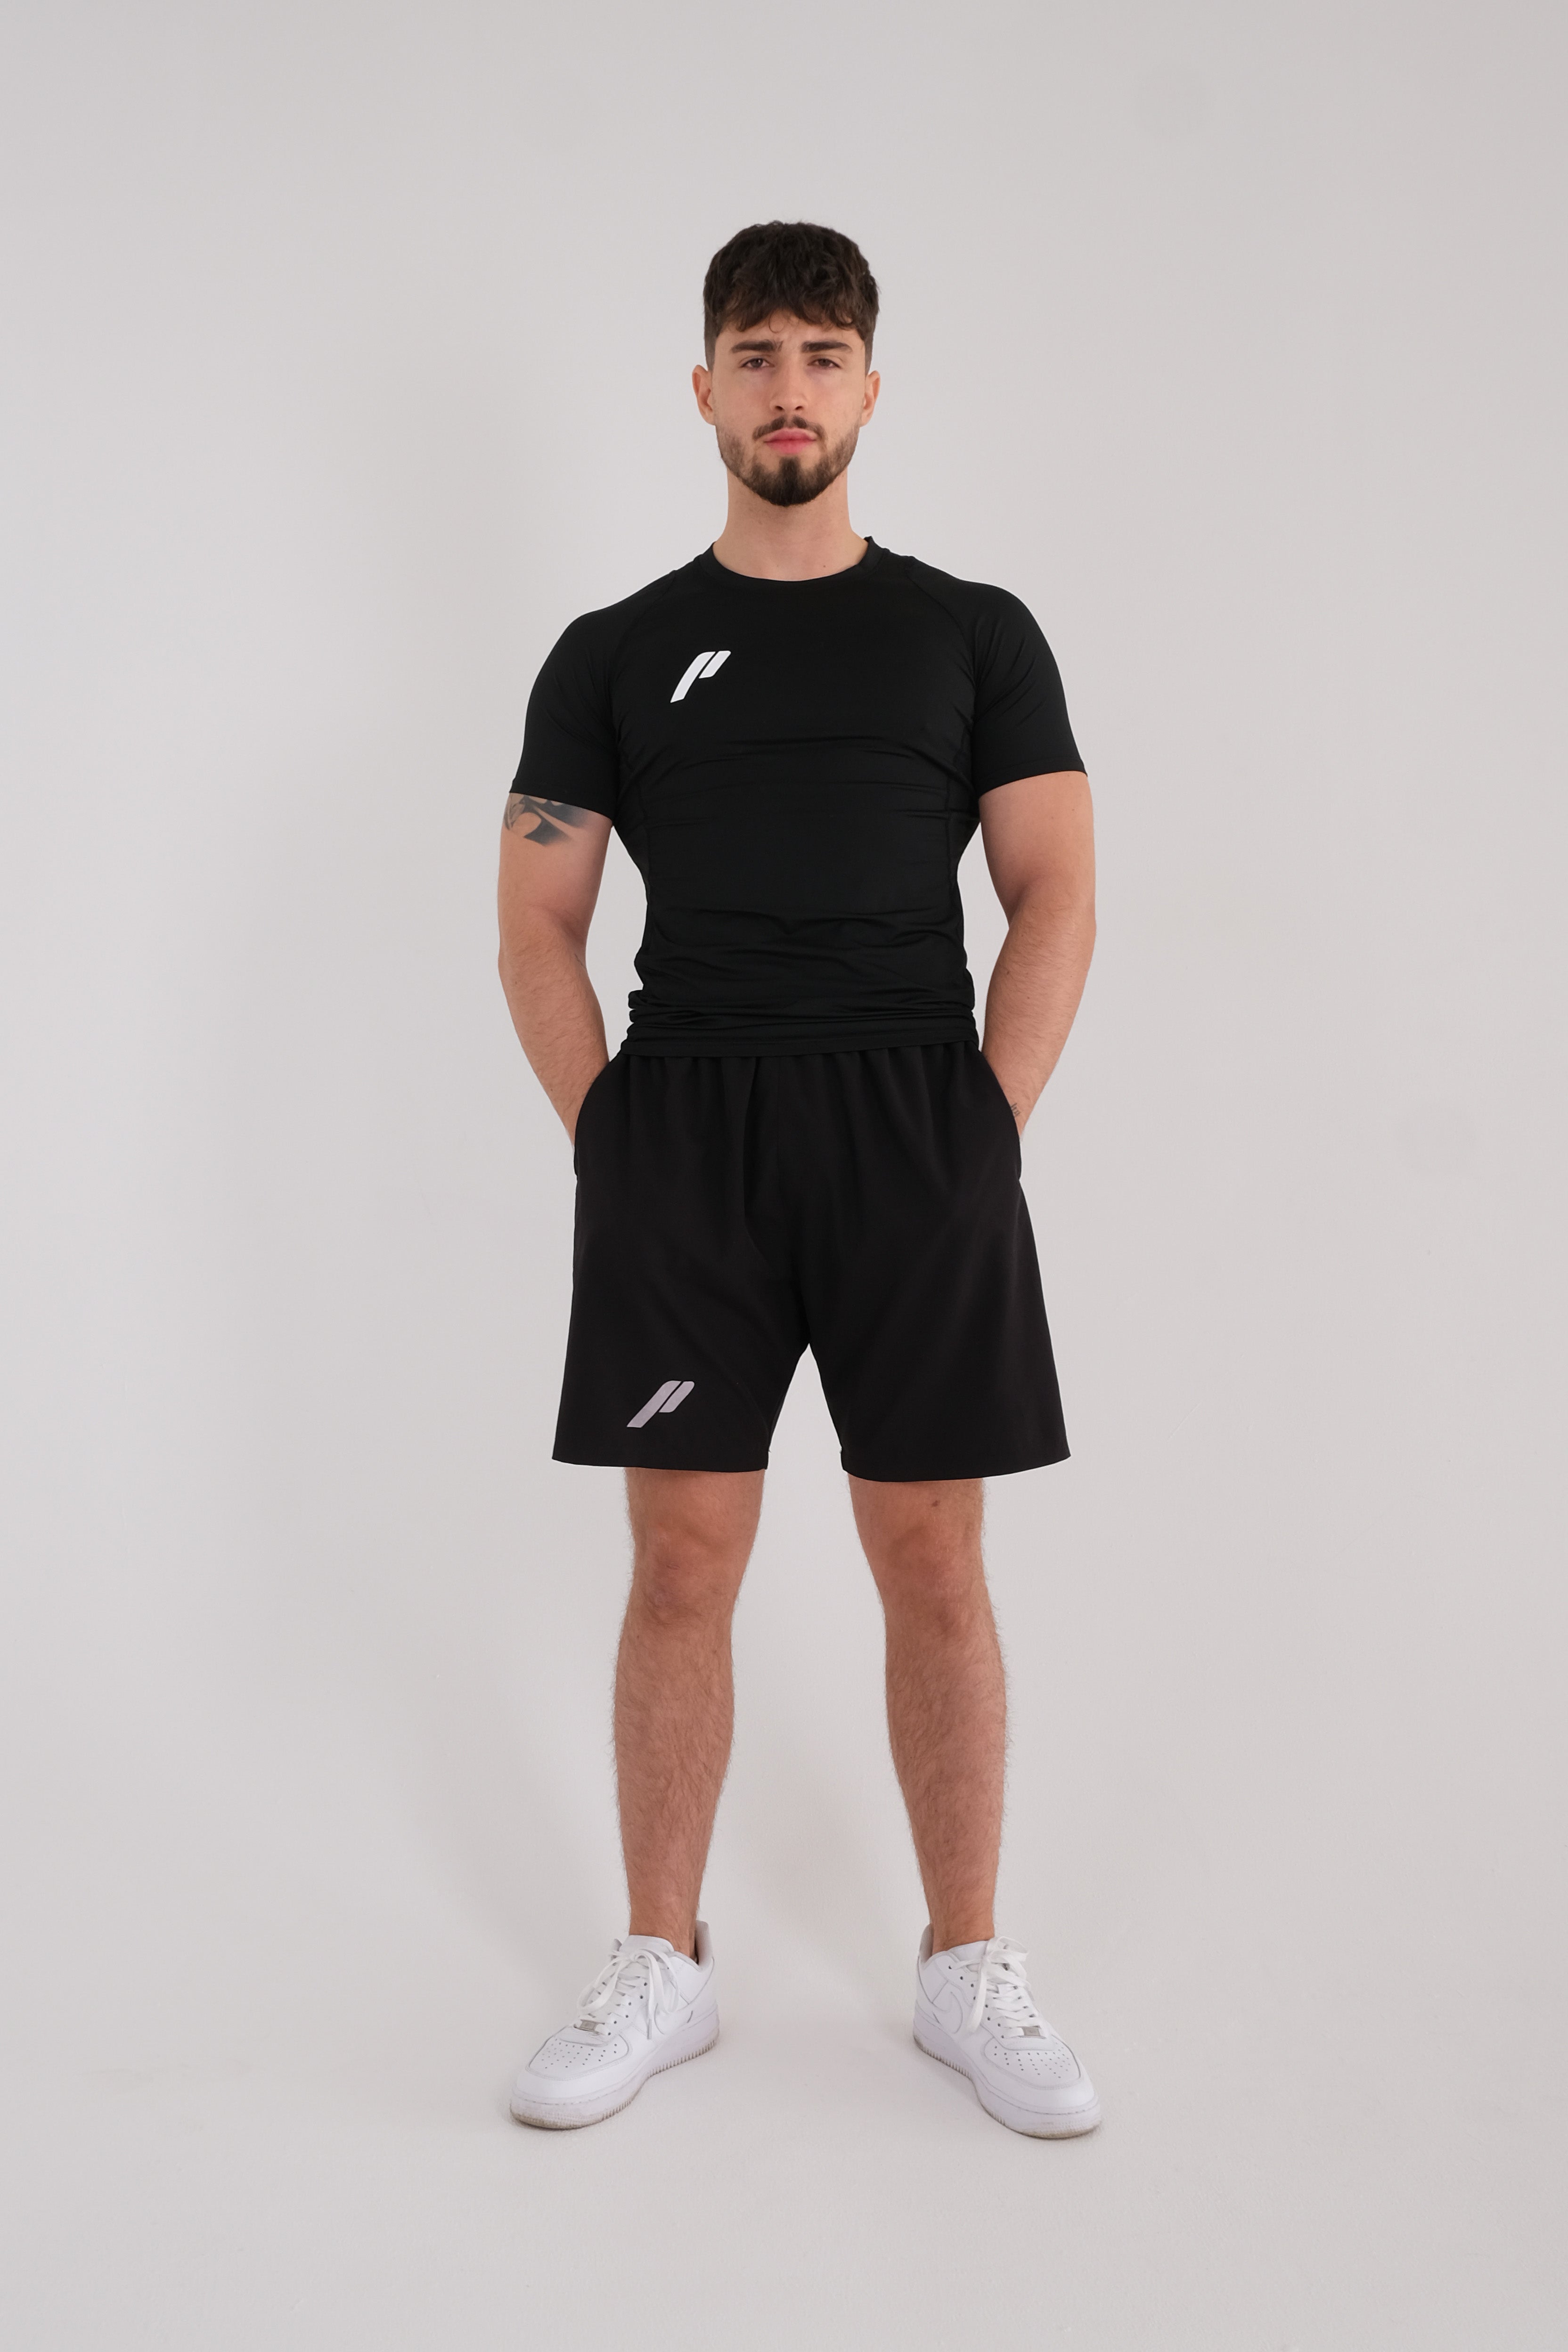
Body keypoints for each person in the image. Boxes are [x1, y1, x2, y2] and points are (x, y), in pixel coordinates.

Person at [496, 220, 1099, 2137]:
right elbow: (537, 920)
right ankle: (659, 1962)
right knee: (683, 1557)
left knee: (932, 1552)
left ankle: (965, 1964)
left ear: (868, 390)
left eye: (823, 355)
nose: (788, 387)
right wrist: (613, 1135)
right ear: (704, 388)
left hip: (917, 1121)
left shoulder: (973, 634)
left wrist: (986, 1123)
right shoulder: (609, 652)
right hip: (687, 1127)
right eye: (755, 353)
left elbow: (1054, 889)